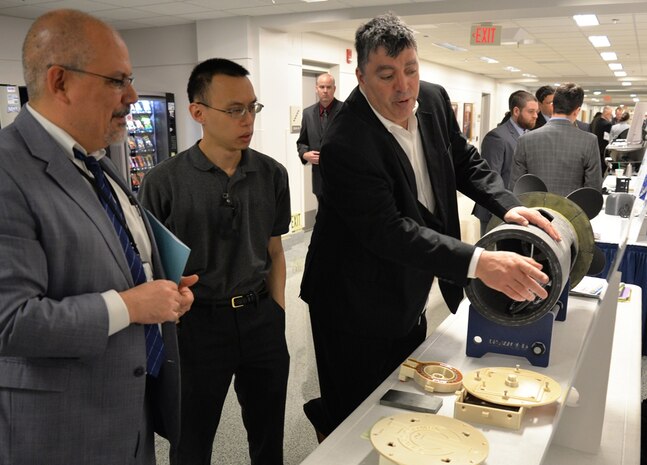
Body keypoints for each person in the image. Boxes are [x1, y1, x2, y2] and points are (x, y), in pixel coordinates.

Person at [299, 13, 559, 440]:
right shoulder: (346, 141)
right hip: (351, 302)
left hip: (408, 285)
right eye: (386, 75)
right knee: (357, 418)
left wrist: (508, 207)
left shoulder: (434, 101)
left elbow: (464, 160)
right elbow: (390, 231)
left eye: (411, 70)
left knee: (403, 396)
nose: (403, 86)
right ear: (361, 76)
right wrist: (480, 262)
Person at [0, 9, 197, 465]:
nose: (130, 96)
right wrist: (130, 306)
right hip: (62, 432)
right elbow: (10, 321)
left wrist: (162, 294)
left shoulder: (95, 160)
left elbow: (116, 255)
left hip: (128, 416)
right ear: (60, 82)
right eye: (117, 80)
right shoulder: (9, 171)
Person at [139, 58, 291, 465]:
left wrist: (277, 311)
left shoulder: (272, 174)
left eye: (252, 107)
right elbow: (149, 267)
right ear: (198, 113)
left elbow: (274, 250)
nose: (247, 120)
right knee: (190, 441)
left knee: (268, 437)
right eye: (234, 109)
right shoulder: (163, 181)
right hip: (196, 328)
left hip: (260, 319)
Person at [510, 83, 602, 197]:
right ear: (577, 111)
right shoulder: (589, 141)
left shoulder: (525, 140)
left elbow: (515, 187)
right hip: (570, 212)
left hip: (533, 211)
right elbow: (593, 191)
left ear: (553, 106)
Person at [472, 90, 538, 235]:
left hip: (515, 207)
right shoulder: (497, 137)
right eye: (531, 111)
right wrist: (499, 208)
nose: (535, 116)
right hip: (494, 209)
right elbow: (490, 177)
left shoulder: (529, 136)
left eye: (536, 112)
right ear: (516, 111)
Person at [296, 73, 341, 201]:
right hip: (319, 179)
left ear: (334, 89)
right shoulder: (308, 113)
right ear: (316, 89)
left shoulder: (346, 111)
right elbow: (302, 142)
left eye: (328, 87)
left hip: (342, 178)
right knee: (323, 216)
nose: (325, 91)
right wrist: (304, 154)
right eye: (322, 87)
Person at [593, 105, 613, 172]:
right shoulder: (607, 124)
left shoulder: (596, 121)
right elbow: (606, 139)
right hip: (603, 151)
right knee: (602, 170)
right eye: (611, 115)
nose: (611, 117)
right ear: (607, 114)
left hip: (595, 148)